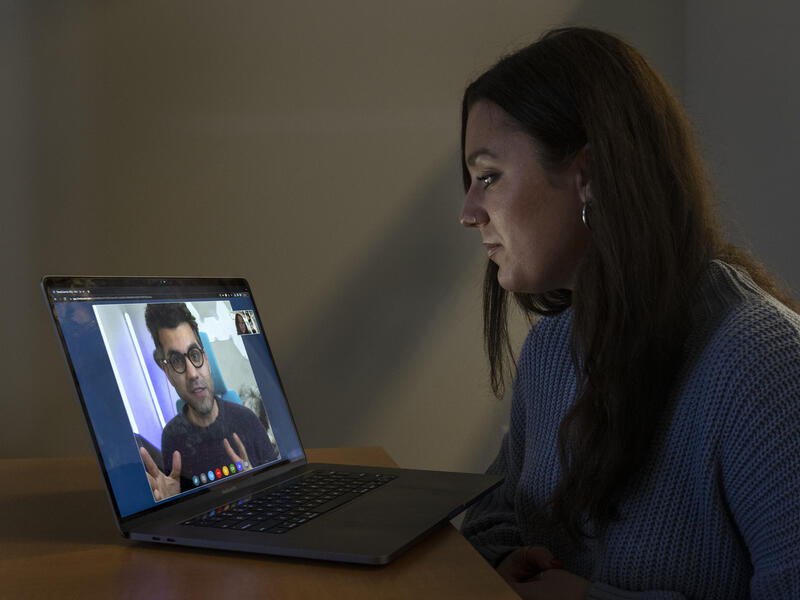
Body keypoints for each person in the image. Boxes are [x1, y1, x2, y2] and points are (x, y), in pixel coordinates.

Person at [458, 27, 800, 599]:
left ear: (586, 174)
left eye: (488, 176)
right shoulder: (549, 354)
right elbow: (494, 514)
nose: (469, 212)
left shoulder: (764, 368)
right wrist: (503, 559)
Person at [140, 302, 278, 500]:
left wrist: (254, 484)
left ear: (205, 359)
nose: (193, 373)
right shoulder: (172, 439)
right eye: (177, 361)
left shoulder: (248, 421)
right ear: (168, 373)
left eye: (195, 355)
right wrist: (172, 504)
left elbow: (281, 494)